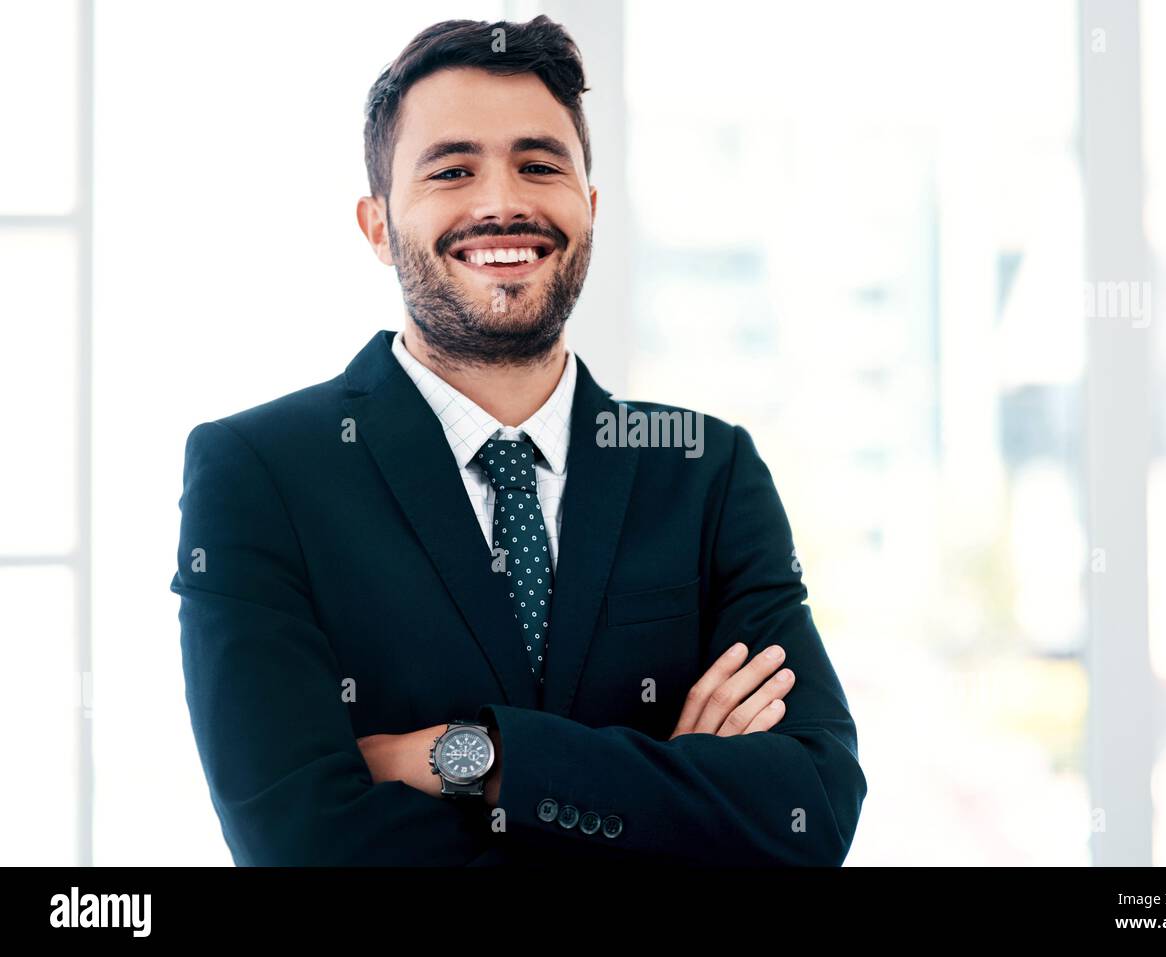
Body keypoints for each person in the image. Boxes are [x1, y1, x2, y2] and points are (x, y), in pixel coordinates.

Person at [172, 15, 866, 866]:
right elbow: (301, 844)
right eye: (452, 170)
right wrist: (680, 802)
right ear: (378, 225)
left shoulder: (706, 471)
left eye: (540, 165)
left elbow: (812, 809)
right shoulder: (259, 476)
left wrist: (473, 758)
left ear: (591, 207)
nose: (502, 203)